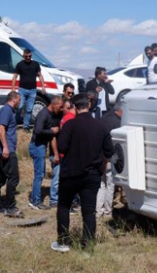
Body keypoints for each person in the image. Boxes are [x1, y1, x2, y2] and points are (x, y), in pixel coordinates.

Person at [52, 93, 115, 253]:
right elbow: (109, 151)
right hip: (91, 174)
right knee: (88, 211)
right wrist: (103, 165)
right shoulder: (101, 126)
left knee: (64, 206)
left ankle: (63, 241)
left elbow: (62, 148)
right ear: (89, 106)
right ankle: (87, 246)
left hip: (70, 174)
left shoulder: (69, 125)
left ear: (74, 107)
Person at [29, 96, 62, 210]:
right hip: (37, 146)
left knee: (40, 174)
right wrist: (51, 131)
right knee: (39, 175)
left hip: (40, 146)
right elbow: (38, 130)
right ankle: (36, 201)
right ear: (54, 104)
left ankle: (35, 199)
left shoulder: (49, 114)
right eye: (60, 106)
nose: (61, 109)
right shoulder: (44, 114)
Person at [0, 91, 23, 217]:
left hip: (2, 150)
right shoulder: (7, 110)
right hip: (6, 150)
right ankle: (10, 207)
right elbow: (1, 129)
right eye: (19, 99)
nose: (20, 102)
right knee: (13, 178)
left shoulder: (8, 111)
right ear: (14, 99)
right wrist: (5, 147)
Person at [96, 102, 123, 218]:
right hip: (109, 157)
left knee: (101, 185)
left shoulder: (104, 118)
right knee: (110, 184)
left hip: (98, 155)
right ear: (120, 111)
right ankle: (107, 212)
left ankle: (98, 211)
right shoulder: (117, 123)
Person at [11, 48, 46, 131]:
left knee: (29, 109)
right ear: (23, 56)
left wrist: (43, 86)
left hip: (32, 90)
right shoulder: (20, 65)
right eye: (26, 56)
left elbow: (40, 75)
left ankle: (26, 126)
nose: (28, 58)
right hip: (22, 90)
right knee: (20, 106)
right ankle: (15, 122)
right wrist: (13, 88)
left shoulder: (35, 64)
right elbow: (15, 76)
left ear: (31, 55)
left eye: (29, 56)